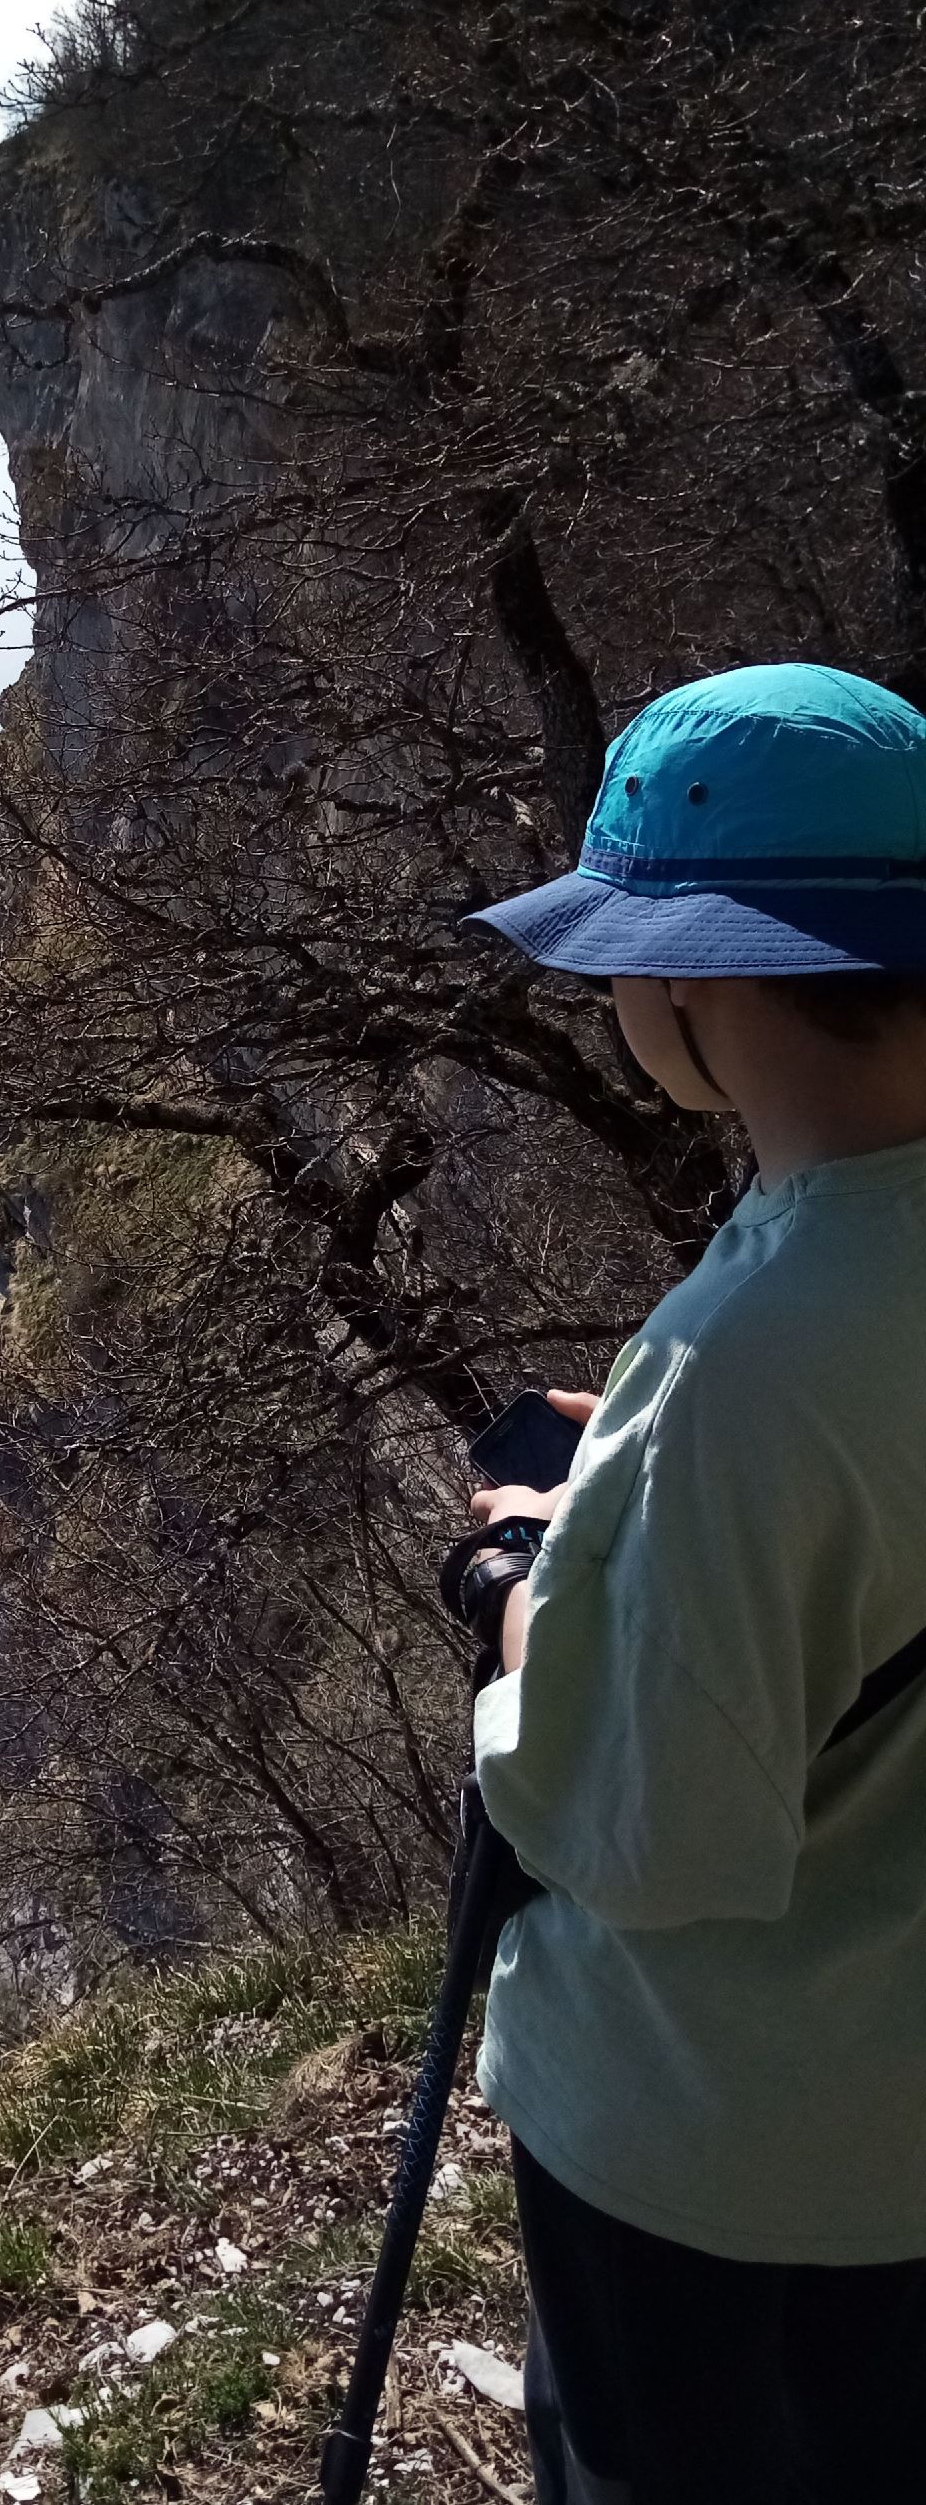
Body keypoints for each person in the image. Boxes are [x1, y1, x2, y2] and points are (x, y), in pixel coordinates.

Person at [460, 662, 926, 2505]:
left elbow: (639, 1825)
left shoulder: (747, 1365)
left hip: (731, 2153)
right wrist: (650, 1509)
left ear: (689, 984)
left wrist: (513, 1565)